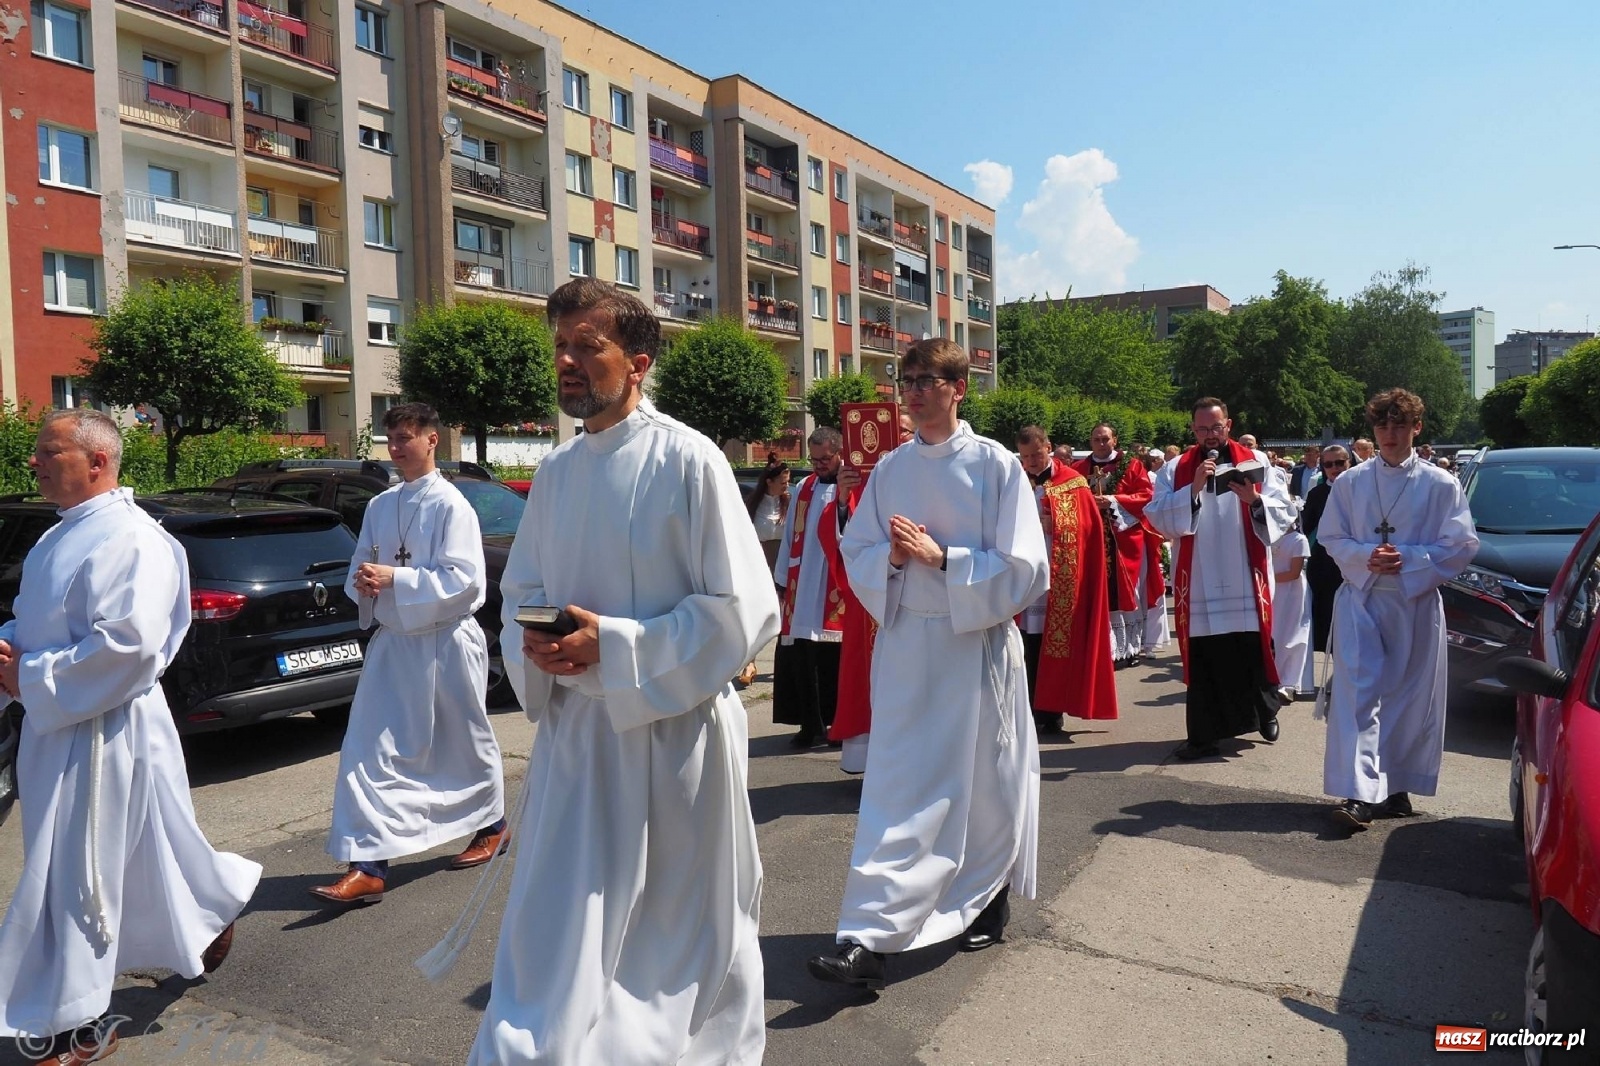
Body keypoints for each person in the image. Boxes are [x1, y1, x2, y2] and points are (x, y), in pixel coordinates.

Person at [469, 279, 779, 1063]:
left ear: (638, 361)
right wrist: (540, 645)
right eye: (561, 347)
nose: (568, 361)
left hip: (675, 742)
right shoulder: (560, 472)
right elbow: (521, 597)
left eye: (587, 345)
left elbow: (746, 611)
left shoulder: (689, 459)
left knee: (676, 935)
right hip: (579, 739)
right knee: (563, 926)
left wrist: (620, 643)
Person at [0, 410, 260, 1061]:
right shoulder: (60, 536)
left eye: (47, 452)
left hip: (104, 731)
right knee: (144, 853)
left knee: (75, 877)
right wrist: (11, 653)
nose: (33, 463)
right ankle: (204, 920)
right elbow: (41, 625)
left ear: (96, 462)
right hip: (60, 723)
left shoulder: (131, 540)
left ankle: (69, 1026)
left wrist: (29, 676)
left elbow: (132, 646)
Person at [807, 339, 1048, 989]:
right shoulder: (891, 470)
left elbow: (1028, 567)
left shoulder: (995, 465)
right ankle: (867, 936)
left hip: (975, 645)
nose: (911, 391)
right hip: (910, 642)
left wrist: (948, 560)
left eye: (925, 380)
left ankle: (985, 892)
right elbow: (858, 548)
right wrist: (888, 559)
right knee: (897, 786)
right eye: (904, 379)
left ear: (957, 388)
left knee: (982, 783)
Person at [310, 403, 507, 906]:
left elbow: (466, 582)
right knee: (365, 751)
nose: (396, 447)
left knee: (462, 743)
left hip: (445, 643)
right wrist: (364, 583)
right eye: (391, 438)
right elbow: (364, 564)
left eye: (405, 437)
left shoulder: (451, 505)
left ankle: (494, 826)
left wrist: (397, 578)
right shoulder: (381, 505)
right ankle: (368, 865)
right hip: (396, 646)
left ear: (431, 440)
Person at [1318, 388, 1478, 830]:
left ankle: (1395, 787)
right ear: (1373, 429)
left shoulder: (1440, 483)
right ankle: (1357, 792)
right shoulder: (1350, 482)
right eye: (1382, 425)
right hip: (1363, 599)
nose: (1390, 433)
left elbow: (1462, 544)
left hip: (1414, 601)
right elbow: (1330, 536)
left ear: (1416, 428)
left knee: (1409, 696)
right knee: (1357, 695)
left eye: (1399, 425)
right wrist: (1366, 556)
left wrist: (1408, 558)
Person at [1146, 397, 1296, 760]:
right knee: (1205, 658)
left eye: (1216, 428)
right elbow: (1156, 515)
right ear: (1193, 429)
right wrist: (1192, 491)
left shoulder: (1256, 461)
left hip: (1245, 574)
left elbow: (1285, 511)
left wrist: (1255, 500)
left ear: (1228, 425)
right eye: (1202, 429)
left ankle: (1265, 713)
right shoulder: (1177, 467)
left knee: (1252, 648)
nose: (1210, 435)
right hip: (1197, 580)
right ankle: (1203, 737)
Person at [823, 413, 916, 774]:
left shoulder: (931, 474)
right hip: (874, 601)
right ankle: (877, 766)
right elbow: (844, 544)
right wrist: (844, 500)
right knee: (870, 681)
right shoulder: (866, 480)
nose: (900, 439)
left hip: (925, 596)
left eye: (903, 432)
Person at [1017, 426, 1117, 737]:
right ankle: (1025, 710)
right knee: (1025, 645)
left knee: (1056, 645)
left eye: (1036, 454)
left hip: (1061, 575)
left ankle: (1050, 713)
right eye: (1026, 456)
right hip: (1025, 576)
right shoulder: (1014, 480)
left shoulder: (1072, 483)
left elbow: (1087, 527)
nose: (1032, 462)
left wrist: (1054, 523)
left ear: (1048, 447)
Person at [772, 427, 845, 748]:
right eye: (814, 459)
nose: (819, 465)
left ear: (840, 453)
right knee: (803, 660)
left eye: (825, 459)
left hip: (835, 586)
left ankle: (838, 724)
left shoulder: (853, 485)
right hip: (802, 588)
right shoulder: (805, 487)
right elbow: (790, 536)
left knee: (835, 662)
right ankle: (809, 723)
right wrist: (782, 581)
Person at [1071, 423, 1157, 668]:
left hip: (1124, 540)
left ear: (1115, 440)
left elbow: (1146, 495)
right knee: (1096, 591)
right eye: (1096, 439)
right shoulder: (1079, 469)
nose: (1100, 443)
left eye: (1105, 439)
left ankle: (1130, 648)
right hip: (1091, 539)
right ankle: (1101, 646)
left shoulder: (1131, 465)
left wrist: (1111, 501)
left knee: (1127, 592)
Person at [740, 462, 790, 685]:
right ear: (769, 482)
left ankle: (786, 665)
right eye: (782, 481)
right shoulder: (752, 505)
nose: (786, 485)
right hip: (758, 564)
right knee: (756, 616)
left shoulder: (791, 501)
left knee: (784, 617)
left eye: (788, 481)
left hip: (784, 563)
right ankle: (749, 662)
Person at [1303, 444, 1350, 655]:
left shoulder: (1363, 489)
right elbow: (1305, 527)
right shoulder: (1317, 493)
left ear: (1349, 463)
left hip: (1353, 564)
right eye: (1329, 464)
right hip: (1324, 564)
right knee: (1326, 617)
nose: (1335, 468)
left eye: (1340, 463)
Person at [1271, 509, 1315, 701]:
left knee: (1293, 634)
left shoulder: (1299, 540)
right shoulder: (1270, 537)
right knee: (1275, 634)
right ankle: (1274, 677)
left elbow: (1293, 573)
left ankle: (1290, 682)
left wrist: (1267, 578)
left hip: (1292, 593)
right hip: (1273, 593)